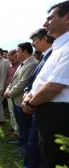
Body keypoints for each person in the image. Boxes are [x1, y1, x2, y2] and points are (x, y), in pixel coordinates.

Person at [22, 1, 69, 167]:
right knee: (44, 157)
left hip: (58, 115)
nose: (45, 24)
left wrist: (30, 102)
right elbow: (41, 81)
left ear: (67, 18)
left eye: (50, 18)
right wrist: (29, 95)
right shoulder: (58, 48)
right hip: (44, 111)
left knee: (53, 161)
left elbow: (54, 87)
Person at [22, 28, 54, 168]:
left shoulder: (53, 55)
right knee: (33, 145)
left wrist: (30, 102)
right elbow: (34, 82)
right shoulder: (44, 56)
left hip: (44, 108)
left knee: (37, 147)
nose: (33, 43)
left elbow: (49, 85)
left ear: (44, 39)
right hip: (35, 105)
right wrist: (26, 94)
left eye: (35, 40)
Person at [4, 42, 38, 154]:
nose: (16, 53)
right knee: (21, 124)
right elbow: (13, 80)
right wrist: (8, 89)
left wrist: (9, 94)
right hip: (16, 99)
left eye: (18, 51)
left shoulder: (32, 64)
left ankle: (25, 147)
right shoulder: (22, 63)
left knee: (25, 125)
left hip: (21, 100)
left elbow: (23, 83)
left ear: (25, 51)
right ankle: (22, 141)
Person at [6, 49, 21, 141]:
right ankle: (13, 127)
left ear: (14, 55)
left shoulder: (19, 65)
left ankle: (17, 132)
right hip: (9, 90)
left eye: (8, 55)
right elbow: (10, 78)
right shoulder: (11, 65)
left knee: (15, 113)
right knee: (11, 111)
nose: (7, 57)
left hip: (16, 92)